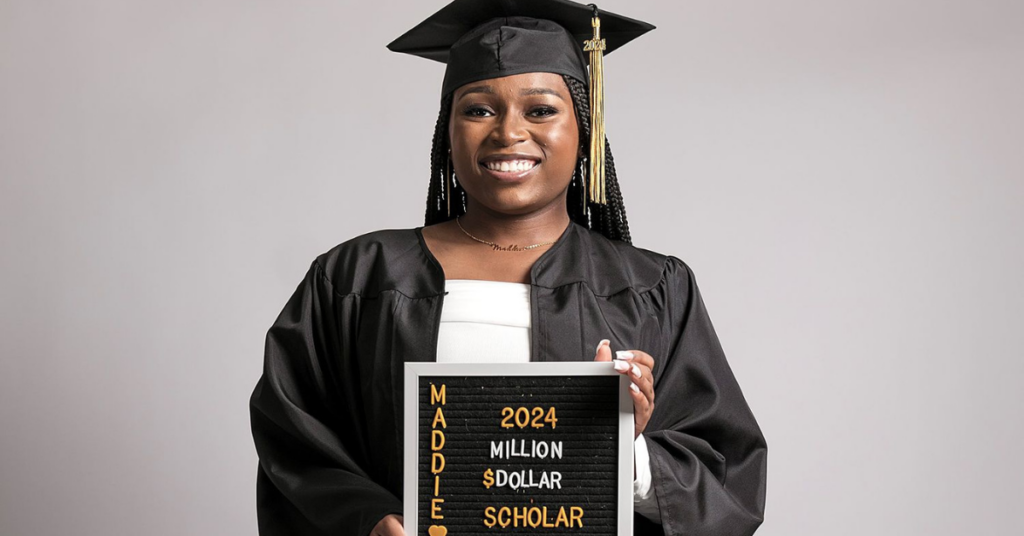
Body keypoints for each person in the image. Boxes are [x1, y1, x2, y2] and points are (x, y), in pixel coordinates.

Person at [248, 0, 768, 535]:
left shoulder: (650, 288)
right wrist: (371, 519)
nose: (507, 132)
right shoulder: (360, 277)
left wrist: (624, 444)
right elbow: (293, 441)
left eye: (540, 110)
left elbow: (729, 483)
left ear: (585, 128)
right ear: (447, 132)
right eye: (478, 110)